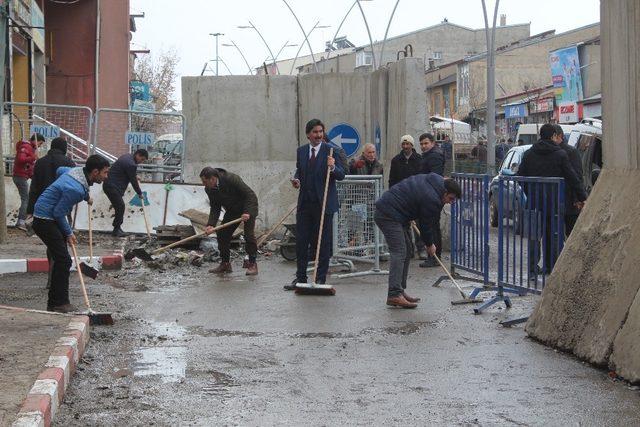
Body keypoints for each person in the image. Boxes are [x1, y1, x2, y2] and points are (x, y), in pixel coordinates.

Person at [32, 155, 110, 313]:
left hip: (48, 215)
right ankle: (58, 303)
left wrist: (83, 195)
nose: (106, 176)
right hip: (45, 220)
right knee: (64, 260)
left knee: (61, 258)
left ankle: (55, 301)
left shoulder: (75, 172)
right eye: (105, 173)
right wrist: (68, 233)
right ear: (95, 172)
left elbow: (60, 171)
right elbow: (59, 212)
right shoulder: (75, 189)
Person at [374, 174, 461, 308]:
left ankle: (399, 290)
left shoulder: (435, 181)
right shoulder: (432, 199)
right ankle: (394, 294)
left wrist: (410, 209)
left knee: (408, 249)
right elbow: (426, 225)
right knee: (399, 251)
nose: (451, 202)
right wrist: (430, 244)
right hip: (388, 214)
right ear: (445, 192)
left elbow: (414, 196)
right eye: (451, 198)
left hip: (397, 212)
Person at [284, 118, 346, 290]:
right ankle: (300, 278)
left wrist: (333, 168)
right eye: (315, 132)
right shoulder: (302, 151)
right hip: (305, 203)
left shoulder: (331, 151)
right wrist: (297, 179)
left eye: (321, 132)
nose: (318, 135)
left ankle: (319, 280)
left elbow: (342, 175)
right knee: (302, 241)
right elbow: (300, 170)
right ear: (308, 135)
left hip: (324, 203)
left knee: (323, 242)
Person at [518, 123, 587, 275]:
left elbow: (520, 176)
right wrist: (583, 197)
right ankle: (552, 267)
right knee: (553, 234)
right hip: (555, 202)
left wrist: (530, 192)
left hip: (535, 203)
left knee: (534, 236)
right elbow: (573, 178)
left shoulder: (529, 153)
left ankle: (532, 268)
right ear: (553, 136)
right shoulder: (560, 154)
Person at [200, 167, 259, 275]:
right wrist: (210, 225)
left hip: (248, 206)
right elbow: (215, 207)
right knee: (222, 234)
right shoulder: (209, 189)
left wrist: (247, 212)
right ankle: (225, 264)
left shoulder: (231, 179)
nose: (203, 184)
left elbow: (249, 195)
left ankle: (252, 264)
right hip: (233, 210)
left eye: (205, 182)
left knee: (249, 235)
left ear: (212, 179)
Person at [102, 149, 149, 237]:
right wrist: (139, 193)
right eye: (142, 159)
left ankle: (117, 228)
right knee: (120, 206)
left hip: (111, 185)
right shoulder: (131, 164)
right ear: (138, 155)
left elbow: (127, 172)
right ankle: (116, 229)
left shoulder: (127, 157)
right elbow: (133, 181)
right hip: (112, 186)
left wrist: (134, 175)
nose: (141, 162)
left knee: (119, 207)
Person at [27, 137, 76, 219]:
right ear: (64, 148)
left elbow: (34, 188)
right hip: (61, 203)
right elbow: (72, 187)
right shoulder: (69, 163)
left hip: (42, 204)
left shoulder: (40, 162)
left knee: (44, 229)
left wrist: (30, 209)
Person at [418, 133, 446, 266]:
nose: (423, 146)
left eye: (426, 143)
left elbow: (434, 176)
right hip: (429, 194)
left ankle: (435, 257)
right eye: (422, 144)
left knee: (432, 226)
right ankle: (433, 256)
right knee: (431, 225)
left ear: (432, 143)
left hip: (432, 195)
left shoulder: (435, 156)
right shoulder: (429, 155)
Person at [555, 124, 584, 237]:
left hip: (570, 200)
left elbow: (577, 176)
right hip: (558, 201)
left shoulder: (571, 152)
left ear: (559, 136)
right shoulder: (552, 152)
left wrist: (578, 198)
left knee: (570, 233)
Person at [13, 133, 45, 231]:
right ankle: (21, 222)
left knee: (26, 198)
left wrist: (34, 177)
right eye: (40, 143)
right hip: (20, 176)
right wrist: (33, 158)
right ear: (36, 140)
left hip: (22, 176)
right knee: (25, 199)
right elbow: (21, 159)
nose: (40, 146)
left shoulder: (31, 149)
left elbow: (28, 167)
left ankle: (22, 221)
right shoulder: (26, 147)